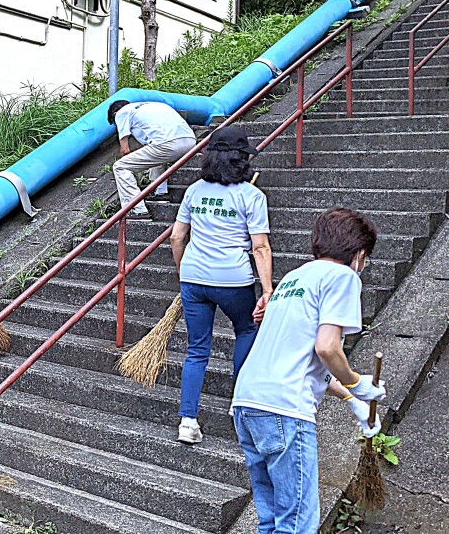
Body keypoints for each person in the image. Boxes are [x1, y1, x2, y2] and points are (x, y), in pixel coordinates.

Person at [231, 208, 387, 533]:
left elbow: (299, 357)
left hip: (248, 404)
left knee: (272, 520)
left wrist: (350, 400)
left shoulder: (293, 278)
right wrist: (358, 384)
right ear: (359, 254)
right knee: (298, 523)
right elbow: (327, 348)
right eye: (366, 258)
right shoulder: (343, 277)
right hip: (284, 411)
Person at [170, 125, 273, 445]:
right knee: (246, 330)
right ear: (242, 159)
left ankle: (187, 421)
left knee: (197, 349)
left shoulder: (193, 191)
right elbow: (260, 247)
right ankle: (236, 403)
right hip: (234, 280)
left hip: (194, 279)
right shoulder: (252, 196)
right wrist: (268, 290)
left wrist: (183, 270)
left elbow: (177, 236)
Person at [108, 100, 197, 219]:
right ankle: (161, 193)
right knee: (154, 154)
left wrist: (133, 167)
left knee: (120, 167)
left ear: (114, 114)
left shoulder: (121, 113)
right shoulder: (155, 105)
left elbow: (125, 150)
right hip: (190, 141)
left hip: (168, 143)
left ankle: (136, 209)